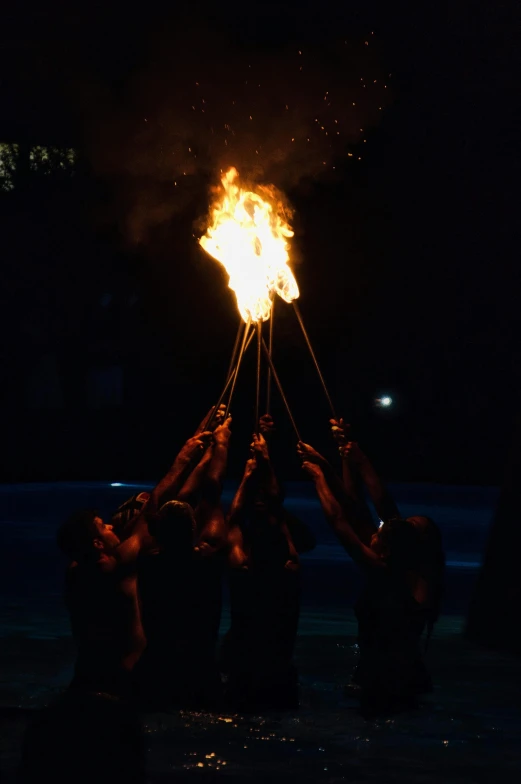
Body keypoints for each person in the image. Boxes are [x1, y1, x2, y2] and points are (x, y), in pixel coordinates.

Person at [298, 427, 444, 717]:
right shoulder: (399, 565)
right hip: (388, 678)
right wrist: (342, 459)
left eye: (412, 524)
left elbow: (341, 520)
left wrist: (319, 478)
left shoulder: (385, 571)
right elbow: (361, 508)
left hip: (390, 681)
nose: (399, 522)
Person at [56, 431, 210, 700]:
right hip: (125, 680)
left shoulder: (77, 573)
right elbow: (153, 507)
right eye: (103, 527)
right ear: (97, 544)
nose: (111, 526)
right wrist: (183, 460)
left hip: (86, 676)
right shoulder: (119, 567)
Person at [134, 415, 232, 710]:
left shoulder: (148, 560)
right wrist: (222, 443)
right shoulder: (208, 558)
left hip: (157, 668)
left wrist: (188, 456)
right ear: (193, 530)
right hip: (199, 668)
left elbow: (154, 507)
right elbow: (213, 495)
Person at [221, 421, 302, 711]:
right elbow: (271, 508)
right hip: (263, 655)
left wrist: (252, 472)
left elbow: (268, 508)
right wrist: (262, 461)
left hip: (253, 655)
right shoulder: (285, 559)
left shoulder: (245, 556)